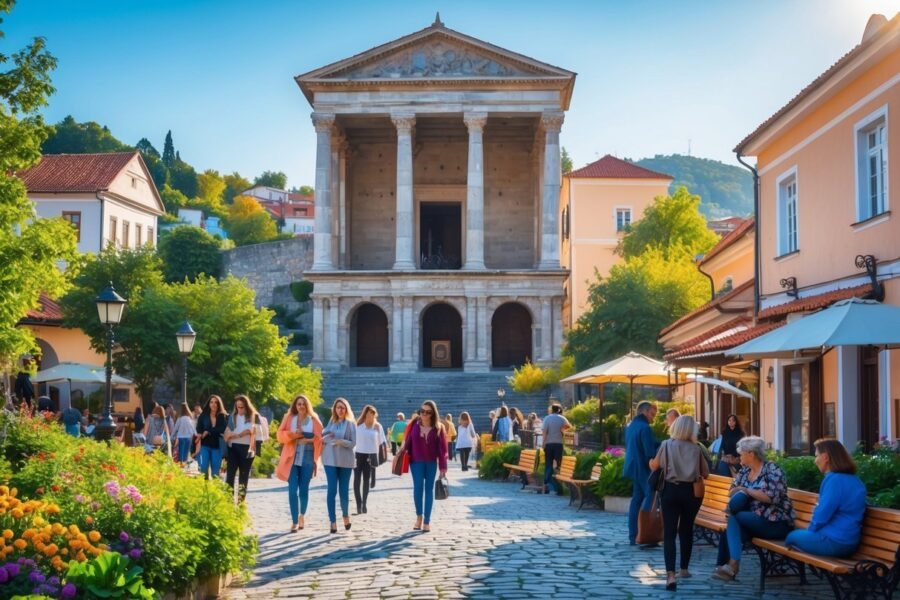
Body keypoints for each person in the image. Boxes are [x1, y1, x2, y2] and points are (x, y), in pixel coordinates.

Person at [713, 435, 795, 581]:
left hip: (774, 521)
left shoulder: (772, 470)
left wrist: (746, 491)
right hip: (752, 519)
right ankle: (725, 567)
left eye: (741, 452)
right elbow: (732, 490)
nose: (739, 456)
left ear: (751, 453)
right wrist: (739, 491)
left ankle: (732, 565)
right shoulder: (744, 471)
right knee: (732, 525)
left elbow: (771, 497)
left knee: (735, 518)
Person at [650, 415, 710, 591]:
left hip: (670, 490)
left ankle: (670, 576)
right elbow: (705, 473)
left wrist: (650, 463)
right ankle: (684, 569)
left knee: (669, 532)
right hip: (691, 492)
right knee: (686, 529)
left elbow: (655, 466)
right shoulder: (697, 448)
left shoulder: (666, 445)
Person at [784, 439, 866, 557]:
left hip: (834, 542)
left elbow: (823, 512)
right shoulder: (855, 480)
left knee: (791, 537)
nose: (815, 461)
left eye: (816, 456)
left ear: (826, 457)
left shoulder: (834, 479)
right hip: (849, 541)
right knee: (797, 536)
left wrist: (811, 531)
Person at [276, 394, 323, 532]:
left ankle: (302, 514)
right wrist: (292, 434)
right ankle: (294, 521)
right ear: (295, 406)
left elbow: (320, 438)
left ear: (307, 405)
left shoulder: (313, 420)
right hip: (292, 457)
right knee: (292, 490)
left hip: (307, 456)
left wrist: (307, 440)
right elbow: (279, 434)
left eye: (303, 404)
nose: (301, 406)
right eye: (298, 404)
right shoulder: (289, 418)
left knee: (303, 489)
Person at [402, 399, 447, 533]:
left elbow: (443, 449)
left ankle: (427, 521)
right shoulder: (413, 425)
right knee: (418, 489)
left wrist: (443, 467)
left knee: (429, 490)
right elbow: (407, 441)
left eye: (428, 412)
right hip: (416, 462)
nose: (424, 414)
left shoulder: (439, 428)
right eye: (422, 411)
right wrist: (402, 453)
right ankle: (419, 517)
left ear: (433, 413)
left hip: (431, 462)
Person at [624, 401, 659, 546]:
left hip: (632, 466)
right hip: (643, 468)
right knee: (650, 499)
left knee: (636, 500)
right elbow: (649, 452)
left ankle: (633, 535)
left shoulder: (631, 426)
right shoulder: (645, 428)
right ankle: (645, 533)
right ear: (645, 412)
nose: (653, 418)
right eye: (652, 414)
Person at [322, 397, 357, 534]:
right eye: (338, 407)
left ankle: (345, 515)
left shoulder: (350, 424)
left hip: (345, 461)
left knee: (343, 492)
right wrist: (327, 434)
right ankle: (332, 521)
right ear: (334, 409)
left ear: (346, 409)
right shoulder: (331, 422)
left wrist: (340, 441)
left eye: (342, 407)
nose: (340, 410)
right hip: (330, 459)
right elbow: (323, 437)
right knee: (331, 490)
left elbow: (353, 443)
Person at [224, 395, 258, 503]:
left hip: (246, 449)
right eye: (238, 407)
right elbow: (227, 433)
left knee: (243, 477)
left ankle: (240, 503)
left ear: (247, 407)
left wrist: (238, 435)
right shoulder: (232, 416)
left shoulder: (253, 416)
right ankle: (228, 503)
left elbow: (253, 431)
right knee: (230, 476)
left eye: (242, 407)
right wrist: (235, 435)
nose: (240, 409)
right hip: (233, 448)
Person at [354, 405, 386, 515]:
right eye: (368, 413)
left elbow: (382, 442)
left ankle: (364, 503)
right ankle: (358, 504)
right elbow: (353, 440)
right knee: (357, 480)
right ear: (365, 414)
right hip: (358, 455)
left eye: (372, 414)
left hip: (370, 455)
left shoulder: (378, 427)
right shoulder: (358, 425)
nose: (370, 416)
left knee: (366, 480)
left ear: (375, 415)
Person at [541, 403, 571, 494]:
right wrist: (562, 429)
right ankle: (558, 486)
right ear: (559, 410)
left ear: (551, 409)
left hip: (549, 444)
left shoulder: (547, 418)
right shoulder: (562, 418)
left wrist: (543, 443)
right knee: (558, 464)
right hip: (559, 444)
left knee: (548, 463)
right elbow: (569, 426)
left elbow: (544, 432)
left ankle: (547, 482)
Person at [196, 395, 228, 480]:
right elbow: (199, 429)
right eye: (211, 402)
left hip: (217, 446)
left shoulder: (222, 416)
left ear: (219, 404)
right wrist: (200, 434)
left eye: (216, 402)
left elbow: (222, 429)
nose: (213, 404)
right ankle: (204, 487)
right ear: (209, 404)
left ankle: (214, 490)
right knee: (203, 468)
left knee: (215, 472)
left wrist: (208, 431)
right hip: (205, 445)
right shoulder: (203, 415)